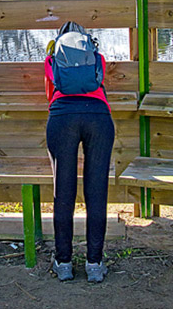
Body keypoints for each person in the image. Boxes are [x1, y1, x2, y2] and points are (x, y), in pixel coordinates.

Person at [44, 21, 115, 283]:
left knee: (63, 193)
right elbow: (98, 83)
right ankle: (94, 264)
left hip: (62, 117)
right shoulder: (98, 58)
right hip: (99, 117)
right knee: (96, 192)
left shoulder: (51, 60)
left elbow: (49, 93)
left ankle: (63, 263)